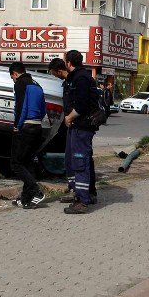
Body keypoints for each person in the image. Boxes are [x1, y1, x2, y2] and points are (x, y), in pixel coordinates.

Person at [58, 50, 99, 214]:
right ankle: (78, 194)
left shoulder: (81, 78)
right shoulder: (76, 77)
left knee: (80, 162)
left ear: (69, 63)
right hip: (76, 127)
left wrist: (69, 117)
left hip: (82, 126)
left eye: (64, 60)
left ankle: (83, 200)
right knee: (72, 160)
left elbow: (81, 105)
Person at [9, 62, 47, 210]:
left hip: (25, 127)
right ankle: (26, 197)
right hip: (37, 126)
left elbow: (20, 106)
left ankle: (36, 191)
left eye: (12, 77)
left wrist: (17, 125)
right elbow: (43, 109)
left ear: (15, 74)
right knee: (27, 162)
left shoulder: (20, 83)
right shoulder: (37, 85)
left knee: (16, 163)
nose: (13, 80)